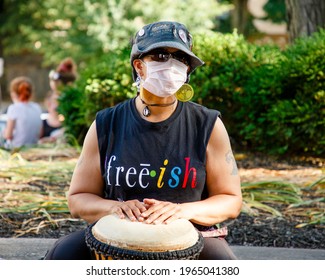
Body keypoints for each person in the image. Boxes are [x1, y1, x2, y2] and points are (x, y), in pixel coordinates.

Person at [44, 21, 242, 260]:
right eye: (160, 55)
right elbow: (77, 200)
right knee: (60, 256)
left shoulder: (208, 125)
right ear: (139, 66)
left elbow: (230, 201)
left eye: (181, 58)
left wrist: (181, 211)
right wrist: (115, 208)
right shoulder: (106, 124)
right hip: (116, 237)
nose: (172, 64)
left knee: (224, 264)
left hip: (190, 237)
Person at [3, 76, 42, 149]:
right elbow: (40, 134)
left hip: (18, 149)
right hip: (34, 148)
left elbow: (8, 135)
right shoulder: (37, 107)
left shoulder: (14, 108)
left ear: (13, 93)